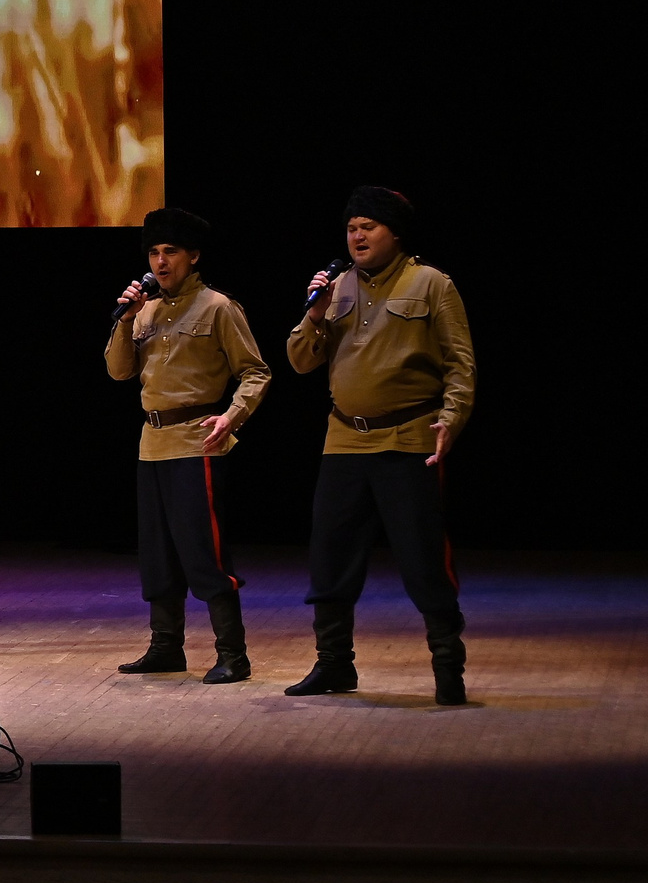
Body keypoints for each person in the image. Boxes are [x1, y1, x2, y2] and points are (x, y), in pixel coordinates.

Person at [283, 186, 476, 705]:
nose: (357, 235)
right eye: (351, 227)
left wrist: (451, 420)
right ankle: (333, 664)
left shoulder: (431, 283)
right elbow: (301, 361)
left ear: (395, 232)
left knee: (421, 557)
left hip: (408, 439)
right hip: (344, 439)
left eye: (368, 225)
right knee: (330, 556)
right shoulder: (336, 287)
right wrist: (316, 313)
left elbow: (461, 363)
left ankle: (447, 664)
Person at [103, 207, 270, 684]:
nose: (160, 261)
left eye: (170, 252)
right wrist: (124, 319)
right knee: (156, 552)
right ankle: (165, 647)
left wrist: (232, 416)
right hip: (150, 443)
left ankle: (233, 653)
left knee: (204, 551)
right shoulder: (146, 309)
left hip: (197, 441)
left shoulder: (218, 307)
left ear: (193, 256)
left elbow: (256, 371)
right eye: (154, 252)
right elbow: (119, 371)